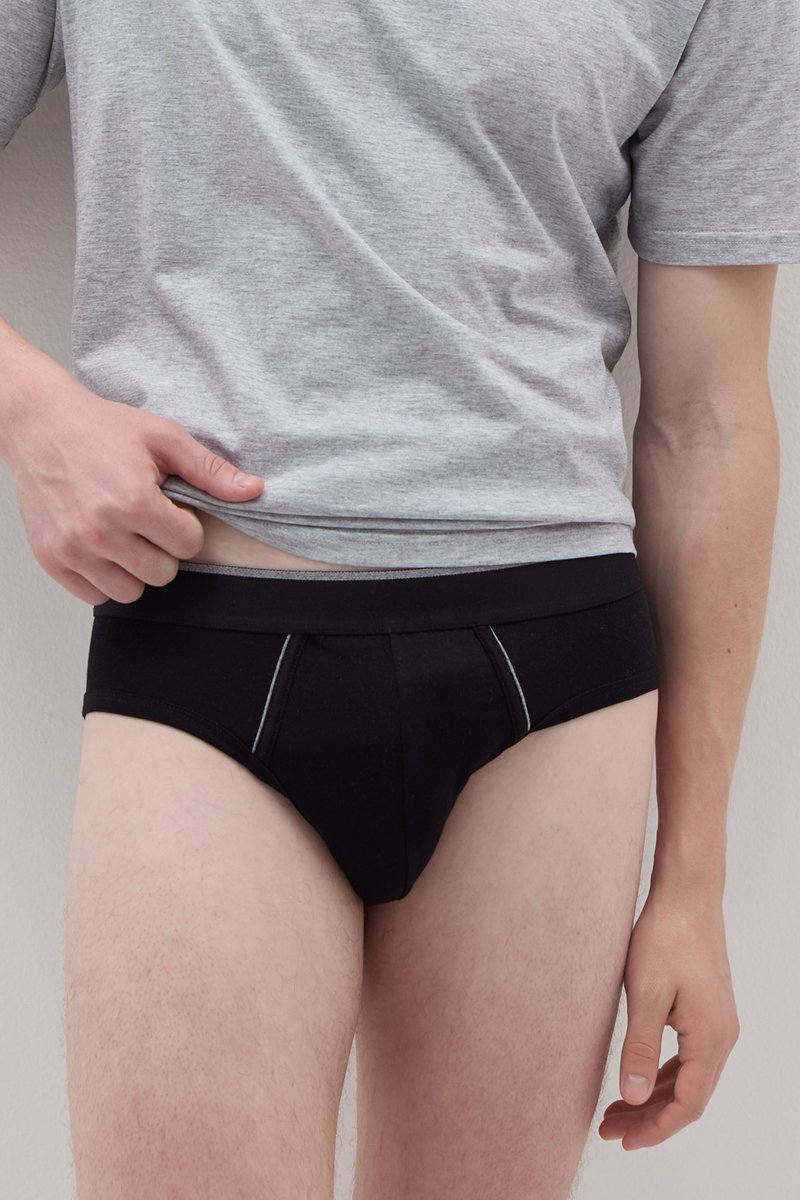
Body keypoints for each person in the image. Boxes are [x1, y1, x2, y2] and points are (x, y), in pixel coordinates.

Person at [1, 1, 798, 1196]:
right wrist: (32, 414)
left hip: (551, 679)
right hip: (210, 628)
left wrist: (690, 881)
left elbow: (709, 419)